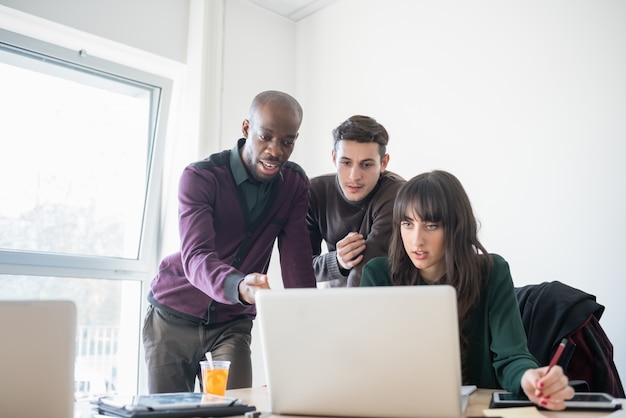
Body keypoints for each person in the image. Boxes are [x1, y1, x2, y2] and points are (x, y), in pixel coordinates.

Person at [143, 90, 316, 393]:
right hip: (173, 318)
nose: (275, 150)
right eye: (266, 137)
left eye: (287, 142)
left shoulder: (294, 184)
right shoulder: (201, 177)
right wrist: (239, 285)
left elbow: (297, 259)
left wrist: (310, 318)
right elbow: (196, 256)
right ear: (247, 129)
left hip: (231, 326)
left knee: (233, 410)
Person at [360, 170, 575, 410]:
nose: (416, 239)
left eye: (431, 225)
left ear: (456, 228)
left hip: (473, 409)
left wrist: (530, 378)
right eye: (407, 224)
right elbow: (368, 360)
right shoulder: (378, 274)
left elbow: (512, 356)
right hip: (398, 406)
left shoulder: (492, 273)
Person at [306, 115, 405, 287]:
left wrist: (351, 312)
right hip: (335, 296)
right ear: (333, 158)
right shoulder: (314, 192)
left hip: (385, 294)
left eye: (366, 165)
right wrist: (337, 261)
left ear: (384, 163)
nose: (354, 176)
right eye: (346, 163)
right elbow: (300, 267)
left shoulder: (397, 194)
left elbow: (364, 267)